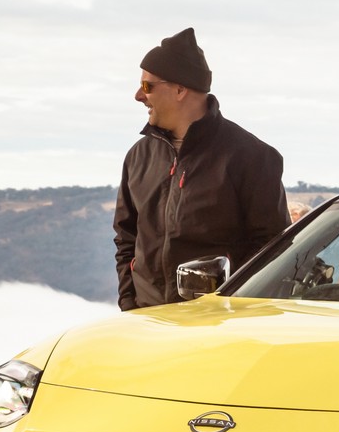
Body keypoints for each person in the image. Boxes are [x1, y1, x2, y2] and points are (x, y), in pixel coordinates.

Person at [113, 28, 288, 309]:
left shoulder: (251, 156)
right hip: (146, 319)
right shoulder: (137, 157)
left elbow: (272, 250)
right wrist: (128, 302)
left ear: (180, 89)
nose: (138, 96)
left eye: (147, 86)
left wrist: (230, 307)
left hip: (217, 322)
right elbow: (126, 239)